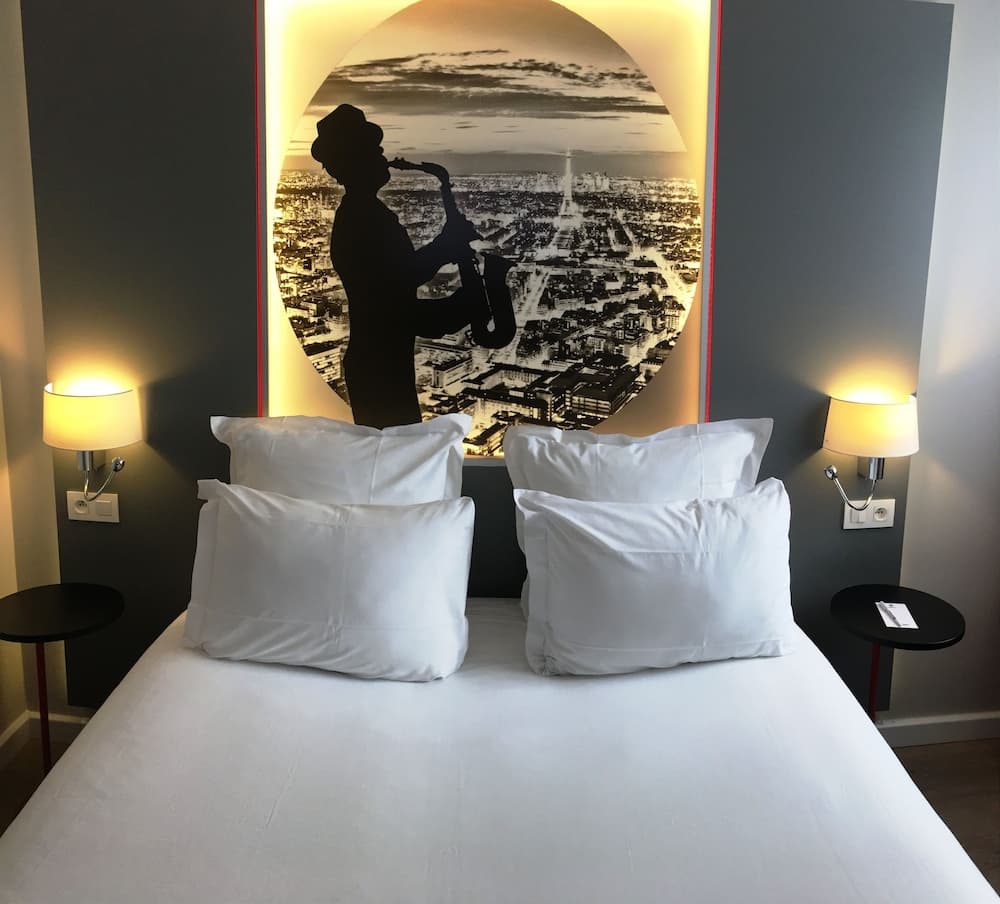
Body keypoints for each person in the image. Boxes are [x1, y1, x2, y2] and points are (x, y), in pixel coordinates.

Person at [310, 104, 480, 428]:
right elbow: (397, 294)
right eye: (375, 150)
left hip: (379, 362)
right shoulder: (363, 219)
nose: (383, 156)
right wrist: (464, 302)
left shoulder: (364, 214)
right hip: (380, 366)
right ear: (357, 160)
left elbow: (400, 279)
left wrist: (446, 245)